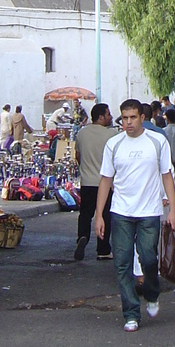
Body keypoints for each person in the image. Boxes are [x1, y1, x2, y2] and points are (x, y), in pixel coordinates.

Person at [94, 98, 175, 332]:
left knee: (148, 258)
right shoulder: (114, 144)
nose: (128, 123)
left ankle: (152, 293)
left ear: (142, 118)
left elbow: (167, 176)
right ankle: (131, 313)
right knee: (122, 264)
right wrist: (98, 215)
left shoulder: (157, 142)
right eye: (124, 118)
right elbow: (105, 180)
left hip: (149, 211)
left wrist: (173, 209)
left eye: (133, 118)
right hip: (120, 212)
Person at [74, 102, 117, 261]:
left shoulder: (81, 134)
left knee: (85, 213)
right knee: (105, 215)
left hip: (87, 181)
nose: (110, 117)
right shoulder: (111, 134)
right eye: (108, 114)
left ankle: (82, 237)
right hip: (104, 183)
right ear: (101, 117)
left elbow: (77, 156)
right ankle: (103, 249)